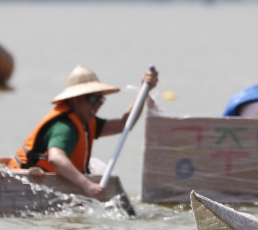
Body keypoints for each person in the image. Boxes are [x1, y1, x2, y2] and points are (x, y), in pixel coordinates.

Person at [9, 65, 158, 201]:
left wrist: (144, 90)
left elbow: (124, 124)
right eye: (92, 99)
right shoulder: (64, 127)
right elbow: (55, 158)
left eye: (100, 100)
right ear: (74, 99)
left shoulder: (86, 122)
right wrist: (87, 185)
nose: (96, 105)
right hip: (25, 185)